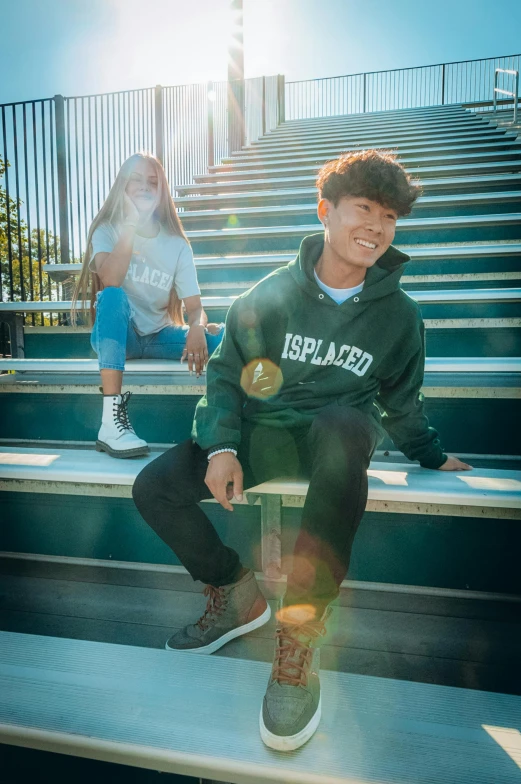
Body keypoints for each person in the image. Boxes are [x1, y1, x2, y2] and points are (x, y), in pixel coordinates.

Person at [132, 150, 472, 751]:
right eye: (362, 209)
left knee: (345, 427)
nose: (374, 226)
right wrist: (221, 446)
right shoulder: (266, 296)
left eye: (388, 216)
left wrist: (430, 454)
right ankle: (236, 593)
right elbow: (227, 375)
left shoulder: (401, 317)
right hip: (264, 430)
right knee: (153, 486)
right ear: (326, 210)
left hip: (335, 436)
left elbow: (402, 403)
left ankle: (300, 633)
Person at [72, 153, 223, 458]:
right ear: (122, 188)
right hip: (119, 337)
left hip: (157, 336)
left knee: (223, 338)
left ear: (162, 192)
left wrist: (197, 326)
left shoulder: (177, 244)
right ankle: (110, 424)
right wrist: (130, 224)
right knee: (113, 295)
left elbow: (195, 306)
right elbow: (111, 279)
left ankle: (231, 424)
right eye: (136, 180)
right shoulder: (107, 230)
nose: (145, 187)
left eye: (153, 182)